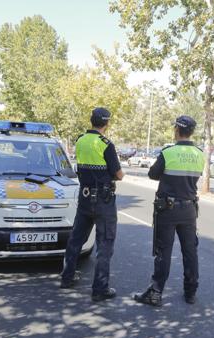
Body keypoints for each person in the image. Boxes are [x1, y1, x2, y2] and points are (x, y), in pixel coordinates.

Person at [134, 115, 204, 307]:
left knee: (164, 252)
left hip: (168, 209)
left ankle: (155, 293)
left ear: (176, 130)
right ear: (191, 132)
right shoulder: (200, 154)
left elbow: (153, 174)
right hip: (189, 209)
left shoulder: (168, 153)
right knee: (190, 252)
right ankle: (191, 293)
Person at [60, 107, 124, 302]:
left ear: (91, 121)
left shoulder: (80, 141)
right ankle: (99, 289)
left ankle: (67, 277)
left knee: (76, 239)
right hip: (104, 201)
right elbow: (119, 174)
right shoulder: (106, 144)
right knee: (105, 244)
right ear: (107, 123)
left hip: (85, 198)